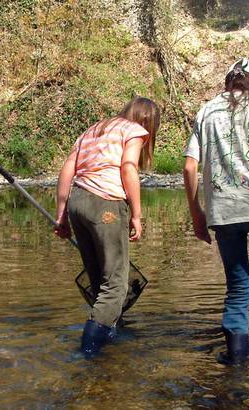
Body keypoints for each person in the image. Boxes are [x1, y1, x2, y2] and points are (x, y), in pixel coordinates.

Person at [55, 96, 160, 357]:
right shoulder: (134, 130)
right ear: (147, 119)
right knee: (115, 285)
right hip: (106, 203)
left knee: (99, 279)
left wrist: (62, 213)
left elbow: (68, 168)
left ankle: (107, 337)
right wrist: (137, 213)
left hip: (78, 202)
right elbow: (128, 168)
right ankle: (88, 351)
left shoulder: (94, 129)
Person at [183, 58, 249, 365]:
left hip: (223, 212)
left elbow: (190, 166)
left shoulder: (207, 110)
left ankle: (237, 362)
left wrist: (197, 215)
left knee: (238, 288)